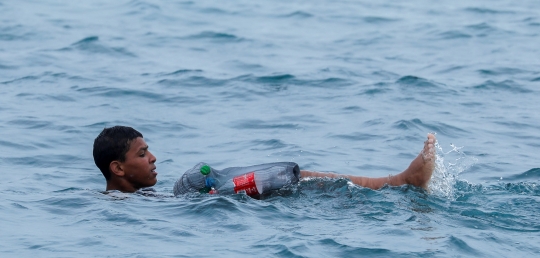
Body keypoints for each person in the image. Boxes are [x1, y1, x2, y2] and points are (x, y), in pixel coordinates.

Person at [93, 126, 436, 193]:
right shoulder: (120, 210)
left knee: (301, 178)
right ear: (118, 168)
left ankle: (400, 180)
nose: (153, 158)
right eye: (142, 154)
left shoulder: (142, 199)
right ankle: (400, 181)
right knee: (297, 182)